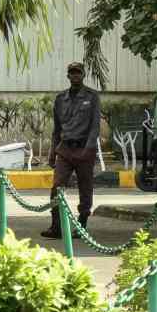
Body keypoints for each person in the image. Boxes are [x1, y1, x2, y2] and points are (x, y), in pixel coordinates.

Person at [47, 61, 101, 239]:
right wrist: (52, 152)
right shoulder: (60, 98)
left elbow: (95, 126)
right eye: (72, 72)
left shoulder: (92, 97)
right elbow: (57, 128)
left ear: (83, 75)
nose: (75, 75)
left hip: (85, 148)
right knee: (57, 186)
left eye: (78, 72)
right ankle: (56, 226)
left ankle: (82, 225)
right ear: (68, 75)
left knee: (85, 188)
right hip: (65, 149)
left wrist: (89, 148)